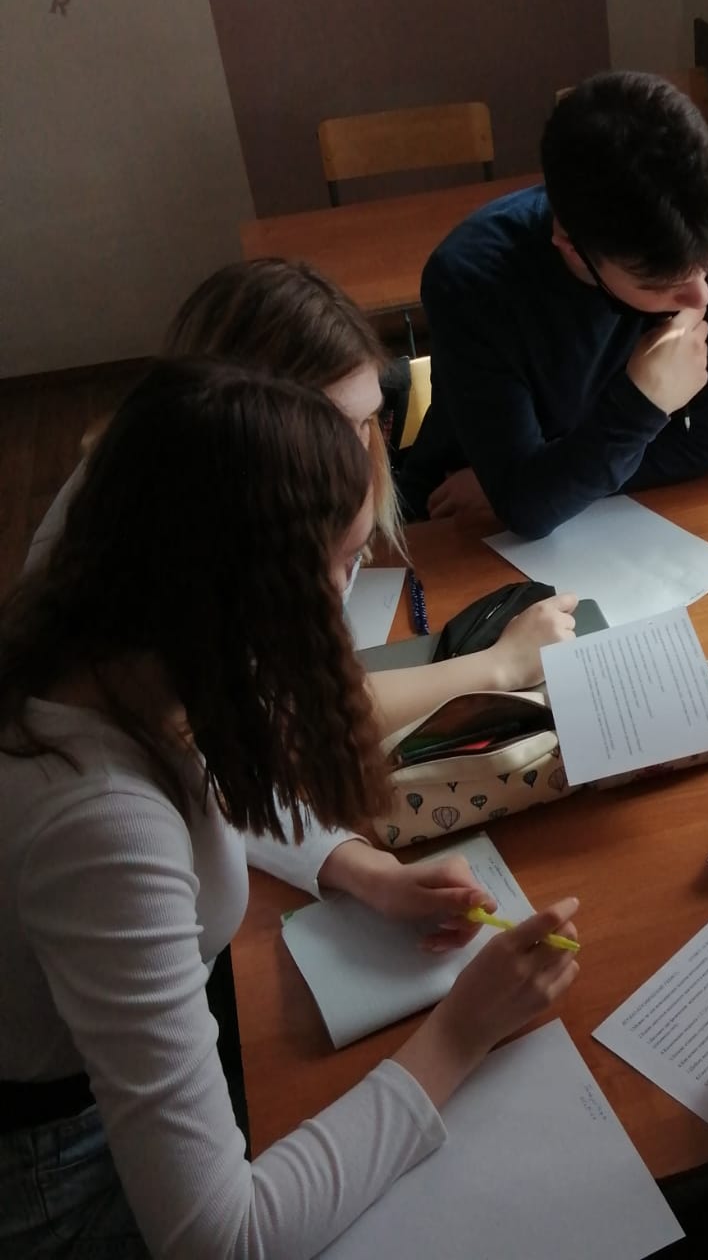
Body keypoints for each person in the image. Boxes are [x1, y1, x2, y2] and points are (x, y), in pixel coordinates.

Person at [0, 360, 581, 1258]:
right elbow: (222, 1237)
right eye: (345, 562)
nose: (352, 587)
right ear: (251, 593)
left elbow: (208, 782)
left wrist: (358, 868)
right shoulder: (102, 823)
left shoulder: (114, 653)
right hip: (58, 1170)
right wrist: (461, 1034)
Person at [23, 259, 577, 919]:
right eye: (331, 428)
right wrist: (495, 667)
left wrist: (350, 862)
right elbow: (267, 727)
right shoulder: (113, 793)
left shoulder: (231, 536)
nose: (354, 457)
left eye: (368, 421)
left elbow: (233, 737)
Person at [395, 71, 708, 538]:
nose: (700, 296)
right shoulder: (472, 279)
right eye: (664, 283)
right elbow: (527, 511)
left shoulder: (699, 239)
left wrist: (553, 485)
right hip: (456, 511)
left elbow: (701, 446)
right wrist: (642, 405)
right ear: (571, 246)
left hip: (608, 518)